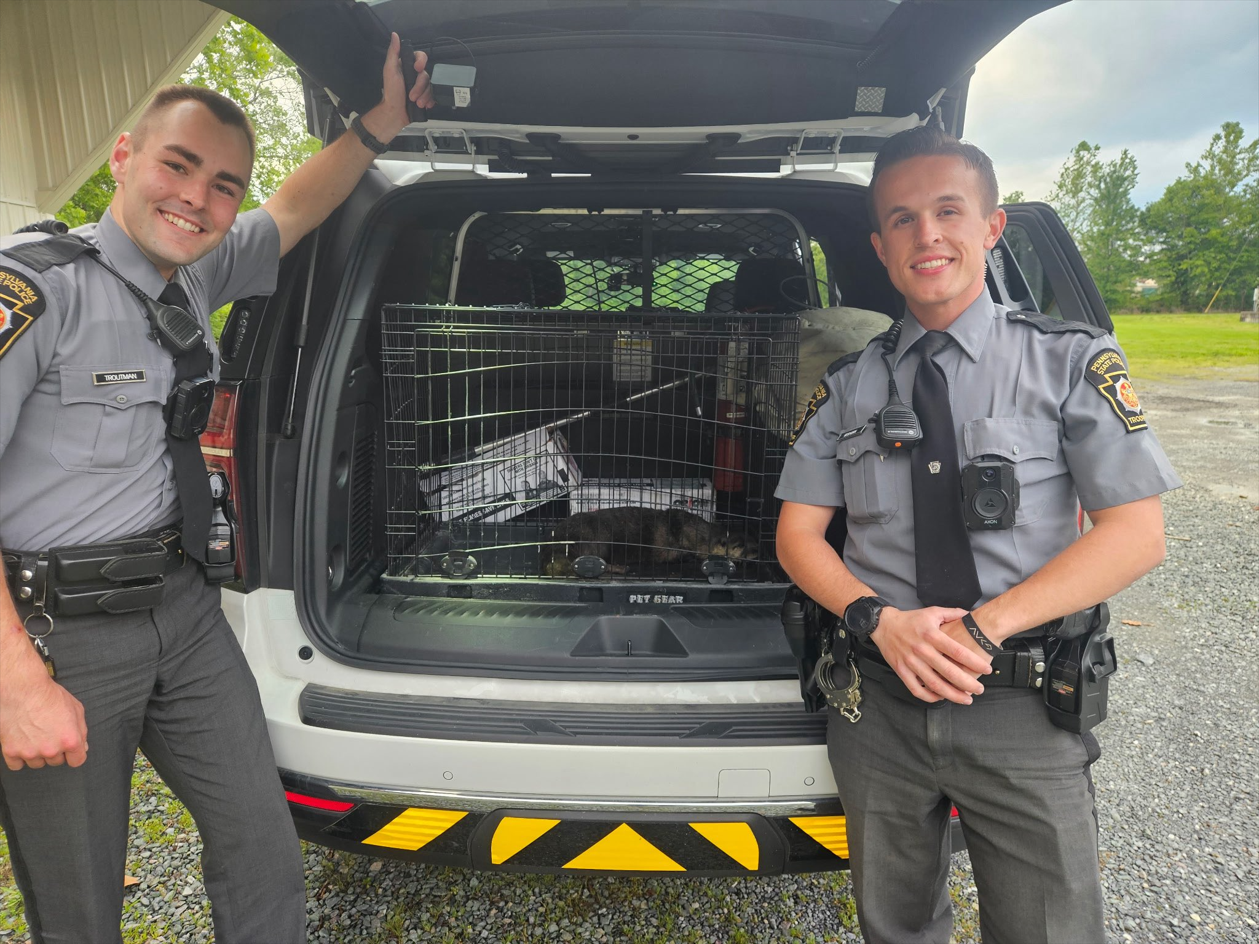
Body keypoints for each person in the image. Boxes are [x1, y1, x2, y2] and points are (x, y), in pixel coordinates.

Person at [0, 34, 434, 944]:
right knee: (79, 905)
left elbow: (292, 211)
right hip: (57, 636)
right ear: (124, 156)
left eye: (222, 183)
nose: (197, 198)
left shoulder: (196, 269)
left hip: (184, 612)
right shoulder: (33, 292)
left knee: (262, 849)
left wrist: (381, 124)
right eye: (178, 165)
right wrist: (15, 684)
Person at [775, 125, 1181, 944]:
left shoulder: (1069, 363)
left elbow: (1135, 533)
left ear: (990, 228)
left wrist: (980, 628)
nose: (925, 234)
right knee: (894, 927)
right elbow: (797, 536)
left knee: (1048, 931)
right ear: (880, 248)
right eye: (900, 219)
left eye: (947, 210)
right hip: (877, 703)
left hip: (1020, 704)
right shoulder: (847, 387)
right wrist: (875, 621)